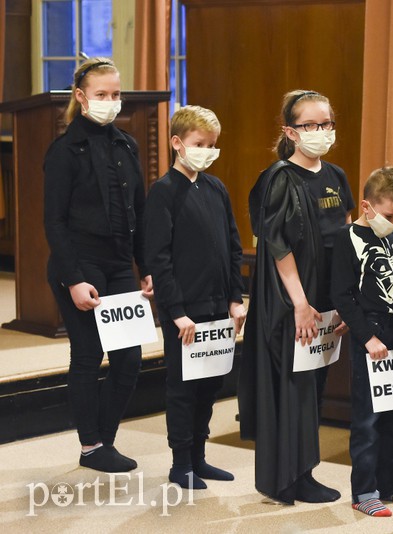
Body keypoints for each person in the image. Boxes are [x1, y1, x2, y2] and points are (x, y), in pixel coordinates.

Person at [238, 89, 353, 504]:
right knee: (293, 388)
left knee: (314, 384)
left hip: (327, 297)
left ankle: (305, 469)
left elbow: (345, 233)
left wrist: (344, 301)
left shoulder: (336, 176)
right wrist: (301, 304)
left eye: (327, 123)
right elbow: (278, 246)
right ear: (291, 131)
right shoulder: (279, 179)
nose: (321, 131)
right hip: (294, 300)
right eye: (311, 125)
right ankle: (288, 478)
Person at [44, 57, 151, 473]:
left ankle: (103, 441)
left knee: (129, 358)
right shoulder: (64, 151)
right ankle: (91, 446)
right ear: (81, 97)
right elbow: (53, 221)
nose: (110, 102)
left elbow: (139, 211)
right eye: (101, 95)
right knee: (88, 355)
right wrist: (74, 279)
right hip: (80, 264)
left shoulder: (127, 144)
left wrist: (146, 266)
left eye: (115, 94)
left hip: (119, 263)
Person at [144, 105, 246, 489]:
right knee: (184, 386)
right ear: (177, 143)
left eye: (212, 145)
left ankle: (200, 458)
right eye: (198, 143)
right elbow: (159, 257)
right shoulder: (163, 191)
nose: (206, 150)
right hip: (185, 312)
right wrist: (175, 311)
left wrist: (236, 299)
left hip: (219, 306)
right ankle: (180, 462)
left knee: (211, 383)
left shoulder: (216, 188)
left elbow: (234, 247)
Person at [330, 166, 393, 517]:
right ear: (368, 206)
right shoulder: (348, 238)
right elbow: (342, 295)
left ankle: (390, 483)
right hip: (371, 337)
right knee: (368, 420)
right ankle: (364, 490)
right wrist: (366, 336)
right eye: (388, 216)